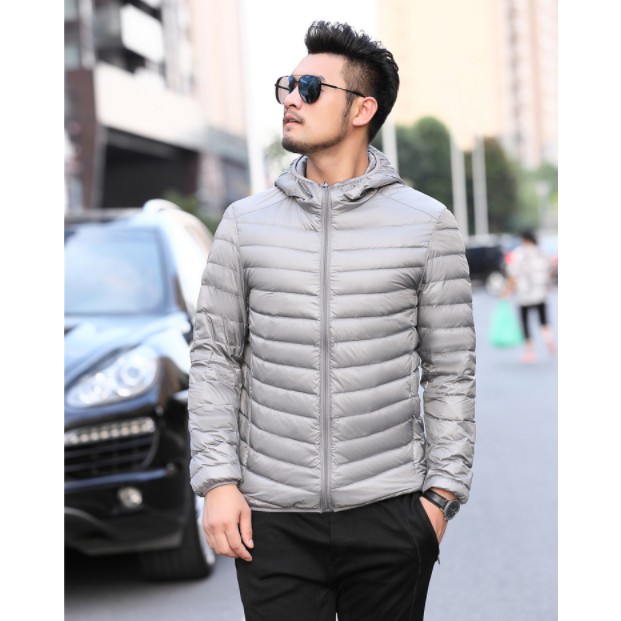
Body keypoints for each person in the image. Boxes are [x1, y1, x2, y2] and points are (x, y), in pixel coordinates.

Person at [188, 20, 476, 621]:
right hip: (272, 520)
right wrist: (218, 481)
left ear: (362, 109)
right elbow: (215, 357)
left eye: (311, 88)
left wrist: (441, 497)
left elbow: (451, 370)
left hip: (390, 511)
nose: (291, 98)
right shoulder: (244, 223)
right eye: (288, 85)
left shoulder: (427, 224)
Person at [503, 230, 556, 363]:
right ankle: (548, 340)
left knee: (525, 323)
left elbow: (513, 274)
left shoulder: (519, 253)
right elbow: (550, 270)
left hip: (524, 295)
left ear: (524, 239)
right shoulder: (541, 252)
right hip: (541, 293)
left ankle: (530, 351)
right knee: (543, 320)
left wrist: (507, 291)